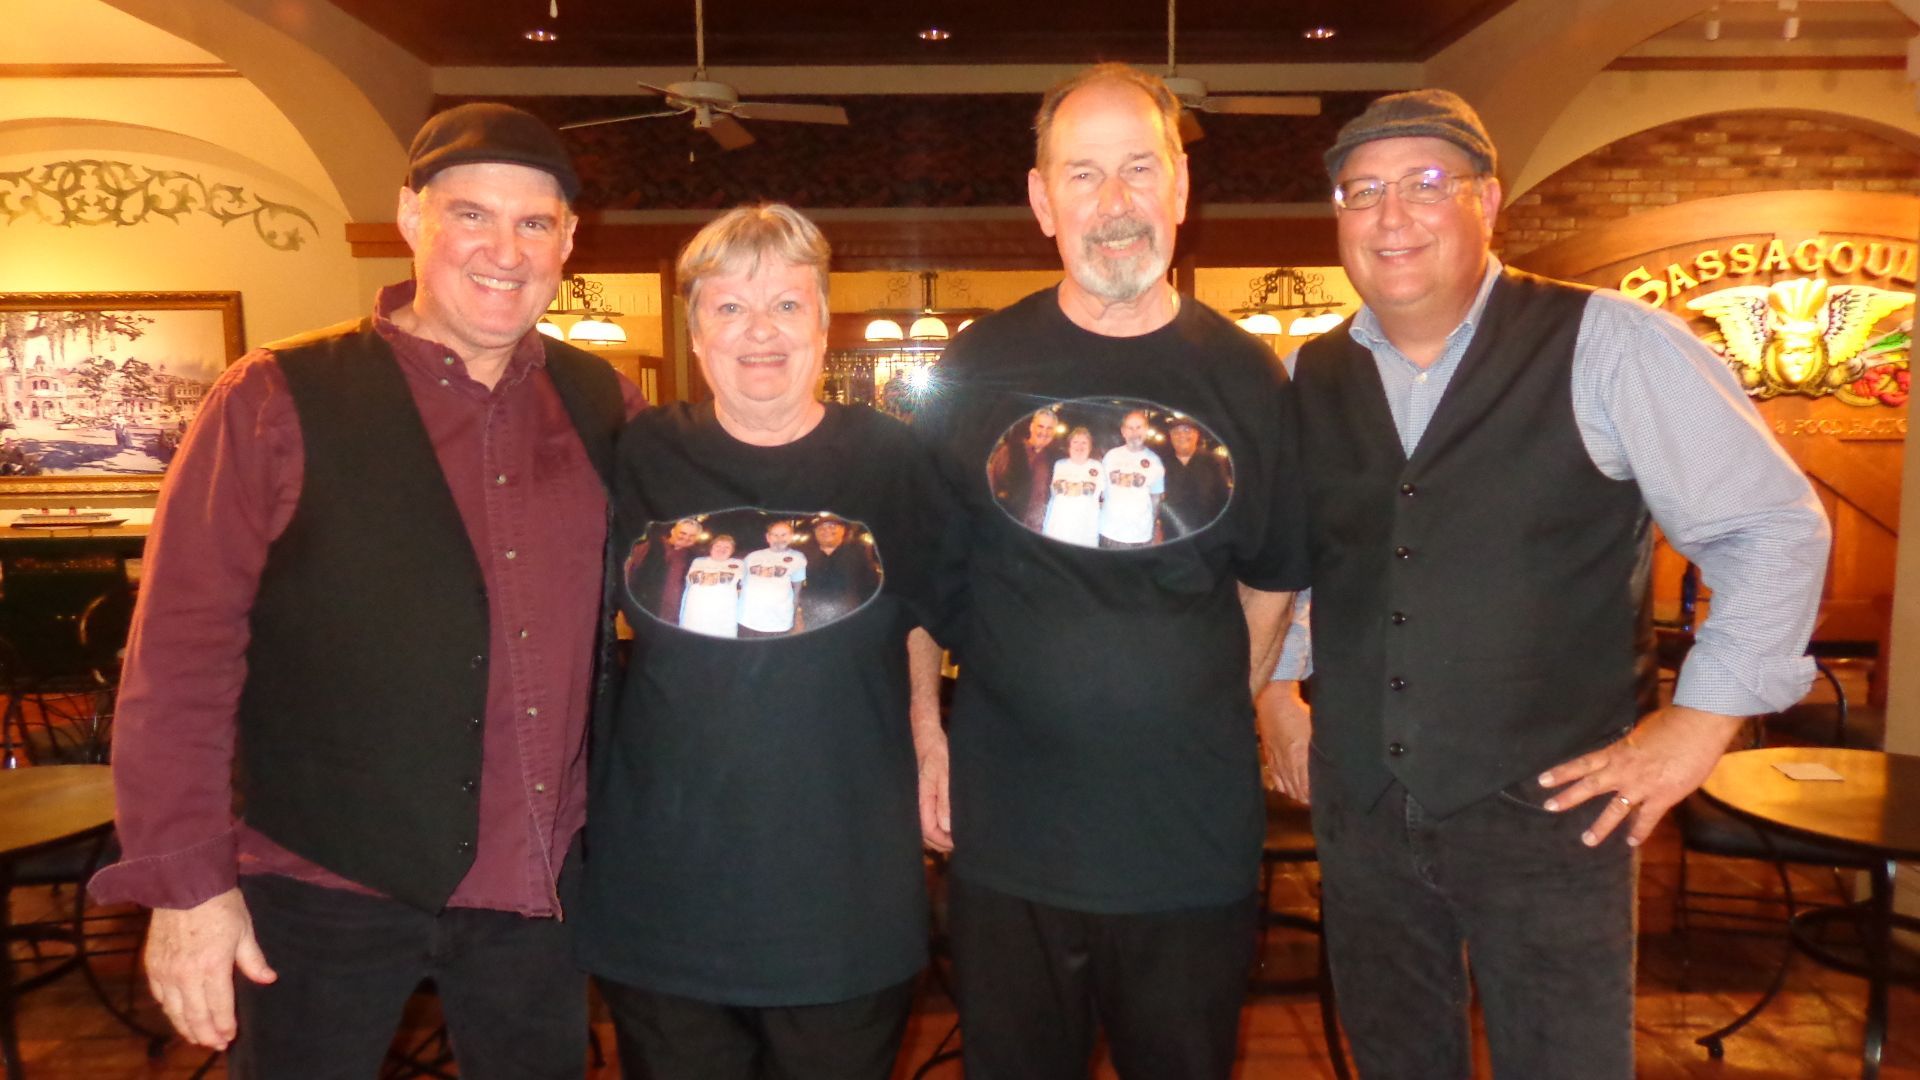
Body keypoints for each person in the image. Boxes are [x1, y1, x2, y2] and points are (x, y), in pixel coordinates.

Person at [1258, 89, 1830, 1079]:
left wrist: (1698, 724)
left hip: (1556, 810)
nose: (1391, 216)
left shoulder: (1611, 343)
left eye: (1425, 185)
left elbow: (1771, 529)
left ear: (1489, 200)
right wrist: (1277, 687)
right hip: (1364, 809)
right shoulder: (1312, 373)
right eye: (1362, 193)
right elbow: (1313, 559)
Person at [89, 102, 644, 1077]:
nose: (503, 250)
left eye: (532, 223)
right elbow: (178, 661)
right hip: (321, 883)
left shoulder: (605, 402)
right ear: (411, 218)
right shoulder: (272, 399)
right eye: (472, 214)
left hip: (538, 891)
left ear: (567, 241)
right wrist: (186, 890)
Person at [913, 64, 1308, 1078]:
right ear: (1043, 201)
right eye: (1083, 175)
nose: (1116, 203)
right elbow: (920, 584)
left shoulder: (1248, 378)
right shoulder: (974, 369)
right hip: (1010, 836)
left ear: (1181, 188)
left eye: (1139, 169)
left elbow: (1271, 576)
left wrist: (1211, 708)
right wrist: (925, 737)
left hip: (1187, 837)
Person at [576, 203, 950, 1080]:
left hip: (843, 884)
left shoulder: (893, 460)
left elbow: (925, 610)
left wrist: (930, 734)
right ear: (695, 332)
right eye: (729, 308)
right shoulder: (635, 454)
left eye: (786, 305)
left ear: (823, 324)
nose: (760, 332)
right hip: (664, 883)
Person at [797, 513, 881, 628]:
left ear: (843, 530)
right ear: (815, 533)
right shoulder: (804, 555)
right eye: (821, 528)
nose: (826, 530)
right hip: (814, 617)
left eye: (832, 526)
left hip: (850, 616)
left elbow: (871, 584)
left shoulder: (859, 552)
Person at [1096, 409, 1164, 547]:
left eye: (1139, 427)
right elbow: (1100, 490)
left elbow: (1156, 499)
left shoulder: (1155, 461)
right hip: (1108, 533)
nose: (1135, 432)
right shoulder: (1111, 456)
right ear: (1123, 431)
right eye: (1130, 428)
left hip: (1140, 537)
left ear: (1146, 430)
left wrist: (1153, 525)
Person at [987, 407, 1064, 529]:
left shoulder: (1054, 458)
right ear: (1032, 427)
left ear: (1054, 432)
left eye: (1049, 428)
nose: (1044, 432)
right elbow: (990, 484)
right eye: (1040, 426)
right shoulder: (1009, 450)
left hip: (1040, 529)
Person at [1158, 416, 1229, 535]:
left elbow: (1223, 498)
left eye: (1187, 430)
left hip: (1206, 533)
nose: (1181, 435)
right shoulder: (1162, 463)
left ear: (1197, 434)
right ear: (1171, 436)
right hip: (1172, 535)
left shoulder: (1213, 461)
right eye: (1176, 432)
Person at [739, 518, 808, 636]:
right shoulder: (752, 556)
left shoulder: (798, 558)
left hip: (778, 623)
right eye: (775, 535)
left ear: (791, 536)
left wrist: (794, 617)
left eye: (784, 534)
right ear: (768, 537)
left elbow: (797, 592)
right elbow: (739, 585)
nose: (779, 539)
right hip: (746, 620)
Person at [627, 516, 705, 620]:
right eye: (683, 533)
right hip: (644, 611)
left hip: (675, 616)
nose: (686, 538)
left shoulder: (694, 558)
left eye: (692, 536)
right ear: (673, 531)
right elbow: (628, 574)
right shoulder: (648, 547)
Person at [1040, 425, 1104, 547]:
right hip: (1058, 531)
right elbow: (1056, 491)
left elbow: (1098, 494)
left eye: (1084, 442)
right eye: (1075, 442)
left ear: (1090, 446)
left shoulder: (1098, 467)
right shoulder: (1059, 465)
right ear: (1069, 445)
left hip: (1085, 533)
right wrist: (1082, 486)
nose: (1079, 446)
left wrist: (1069, 486)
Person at [678, 533, 743, 638]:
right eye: (718, 546)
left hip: (723, 618)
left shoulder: (739, 563)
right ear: (711, 547)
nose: (721, 549)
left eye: (727, 547)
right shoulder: (698, 561)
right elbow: (692, 579)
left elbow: (736, 581)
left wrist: (705, 577)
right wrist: (719, 577)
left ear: (732, 551)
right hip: (694, 616)